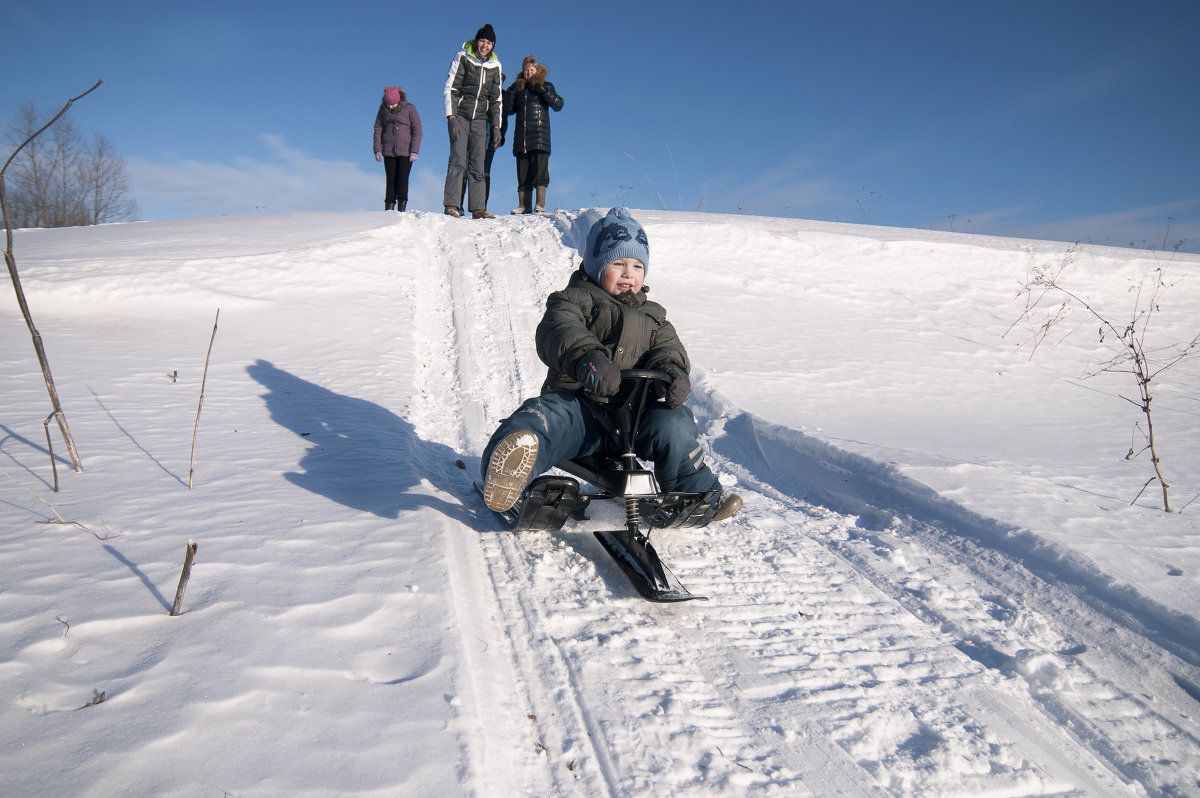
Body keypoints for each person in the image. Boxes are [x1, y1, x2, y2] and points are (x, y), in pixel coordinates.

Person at [480, 208, 742, 523]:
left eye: (636, 265)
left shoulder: (655, 317)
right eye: (617, 264)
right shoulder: (572, 300)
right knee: (543, 418)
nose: (628, 273)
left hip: (635, 418)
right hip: (582, 410)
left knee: (675, 424)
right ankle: (507, 472)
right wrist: (587, 357)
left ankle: (698, 493)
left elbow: (669, 350)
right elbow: (560, 330)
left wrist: (674, 373)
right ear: (595, 265)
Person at [442, 24, 503, 220]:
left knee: (478, 163)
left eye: (489, 42)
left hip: (480, 119)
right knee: (458, 160)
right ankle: (452, 204)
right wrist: (451, 116)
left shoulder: (495, 66)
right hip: (461, 115)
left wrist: (496, 127)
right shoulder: (463, 57)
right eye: (482, 41)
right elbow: (451, 87)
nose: (485, 45)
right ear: (476, 41)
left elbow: (496, 99)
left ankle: (478, 208)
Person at [504, 55, 564, 214]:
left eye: (531, 70)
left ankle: (540, 204)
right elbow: (508, 110)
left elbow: (558, 104)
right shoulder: (519, 89)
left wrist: (543, 91)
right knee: (523, 172)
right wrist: (511, 91)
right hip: (522, 137)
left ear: (537, 70)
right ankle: (524, 205)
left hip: (539, 135)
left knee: (540, 172)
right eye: (526, 70)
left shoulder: (546, 85)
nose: (528, 73)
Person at [373, 86, 422, 211]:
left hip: (406, 152)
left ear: (398, 100)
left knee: (402, 180)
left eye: (393, 104)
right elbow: (378, 129)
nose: (390, 107)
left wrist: (414, 151)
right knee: (390, 181)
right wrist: (377, 149)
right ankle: (389, 209)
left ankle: (401, 209)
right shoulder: (382, 110)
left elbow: (417, 130)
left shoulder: (410, 108)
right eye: (388, 104)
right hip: (388, 151)